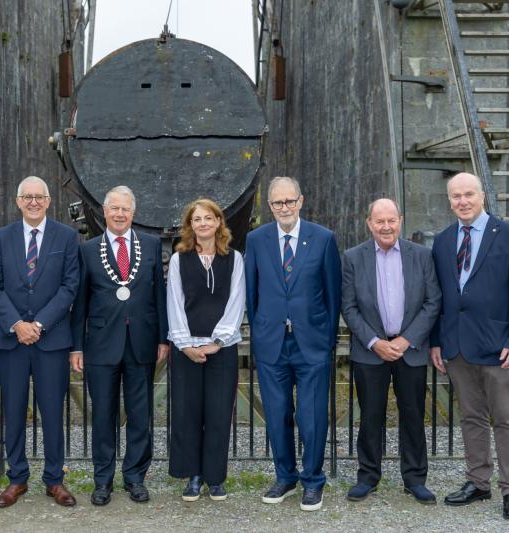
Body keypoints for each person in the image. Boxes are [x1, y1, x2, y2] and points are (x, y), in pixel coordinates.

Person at [430, 172, 509, 521]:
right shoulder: (443, 241)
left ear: (482, 197)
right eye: (456, 196)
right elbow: (439, 299)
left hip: (498, 349)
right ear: (449, 201)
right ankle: (478, 482)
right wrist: (436, 342)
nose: (463, 201)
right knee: (471, 418)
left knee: (506, 419)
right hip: (457, 347)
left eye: (468, 194)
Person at [244, 176, 341, 511]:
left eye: (289, 201)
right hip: (272, 343)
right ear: (270, 206)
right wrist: (260, 333)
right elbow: (252, 293)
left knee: (312, 416)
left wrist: (326, 339)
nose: (284, 207)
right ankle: (284, 477)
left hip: (311, 344)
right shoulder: (256, 240)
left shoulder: (323, 238)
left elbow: (333, 294)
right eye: (277, 202)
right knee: (276, 414)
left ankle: (313, 480)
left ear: (300, 201)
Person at [0, 176, 80, 508]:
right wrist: (16, 324)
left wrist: (38, 324)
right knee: (13, 410)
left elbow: (69, 286)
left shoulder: (66, 236)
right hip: (11, 340)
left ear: (49, 201)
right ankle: (17, 478)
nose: (34, 202)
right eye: (28, 197)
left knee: (52, 411)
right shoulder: (2, 237)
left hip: (50, 339)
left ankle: (54, 479)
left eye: (39, 197)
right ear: (18, 201)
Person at [70, 186, 169, 506]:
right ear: (104, 211)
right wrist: (76, 347)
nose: (119, 214)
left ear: (133, 213)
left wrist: (163, 337)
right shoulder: (88, 250)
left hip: (142, 342)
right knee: (103, 415)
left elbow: (159, 294)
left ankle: (135, 477)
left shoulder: (151, 245)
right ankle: (103, 480)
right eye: (114, 208)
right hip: (100, 345)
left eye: (125, 209)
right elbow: (80, 303)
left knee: (140, 415)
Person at [341, 198, 441, 504]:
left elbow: (433, 301)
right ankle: (368, 477)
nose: (386, 226)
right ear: (369, 223)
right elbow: (349, 306)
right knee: (371, 416)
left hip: (410, 349)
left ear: (400, 221)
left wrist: (406, 339)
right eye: (380, 221)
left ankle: (415, 479)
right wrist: (375, 342)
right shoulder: (352, 257)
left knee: (413, 415)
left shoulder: (422, 255)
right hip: (370, 351)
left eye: (391, 220)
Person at [166, 198, 245, 502]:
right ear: (190, 225)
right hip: (186, 349)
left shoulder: (234, 259)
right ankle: (193, 476)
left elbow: (237, 301)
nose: (203, 223)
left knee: (218, 413)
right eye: (197, 219)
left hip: (221, 350)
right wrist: (185, 344)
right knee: (188, 413)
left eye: (208, 218)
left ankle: (215, 477)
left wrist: (218, 341)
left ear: (218, 222)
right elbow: (174, 302)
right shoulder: (179, 259)